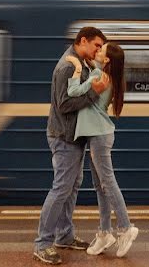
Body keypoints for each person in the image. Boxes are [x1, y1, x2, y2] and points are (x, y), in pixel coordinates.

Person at [33, 27, 109, 265]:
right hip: (64, 137)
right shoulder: (68, 66)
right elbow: (64, 104)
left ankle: (64, 236)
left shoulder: (81, 63)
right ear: (83, 41)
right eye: (97, 45)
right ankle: (42, 244)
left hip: (73, 137)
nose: (98, 51)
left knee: (71, 186)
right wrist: (94, 94)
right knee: (61, 189)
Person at [64, 42, 138, 257]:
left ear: (106, 60)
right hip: (100, 134)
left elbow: (73, 91)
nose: (97, 51)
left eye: (101, 51)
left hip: (98, 135)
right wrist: (88, 63)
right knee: (100, 186)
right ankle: (105, 232)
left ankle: (125, 227)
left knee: (107, 181)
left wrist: (77, 68)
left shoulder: (98, 75)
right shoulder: (109, 77)